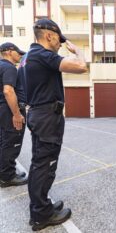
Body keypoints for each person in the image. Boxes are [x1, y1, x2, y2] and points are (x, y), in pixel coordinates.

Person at [18, 18, 88, 231]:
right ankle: (41, 215)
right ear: (49, 35)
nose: (60, 43)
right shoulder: (42, 54)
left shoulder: (27, 58)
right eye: (59, 39)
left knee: (39, 162)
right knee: (45, 165)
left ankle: (41, 207)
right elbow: (81, 67)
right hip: (47, 116)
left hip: (39, 114)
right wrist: (78, 51)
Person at [0, 43, 27, 187]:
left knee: (4, 142)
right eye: (18, 52)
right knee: (11, 143)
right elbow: (8, 91)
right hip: (10, 110)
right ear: (9, 52)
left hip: (3, 110)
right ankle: (7, 177)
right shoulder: (9, 67)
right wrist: (16, 114)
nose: (20, 55)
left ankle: (4, 173)